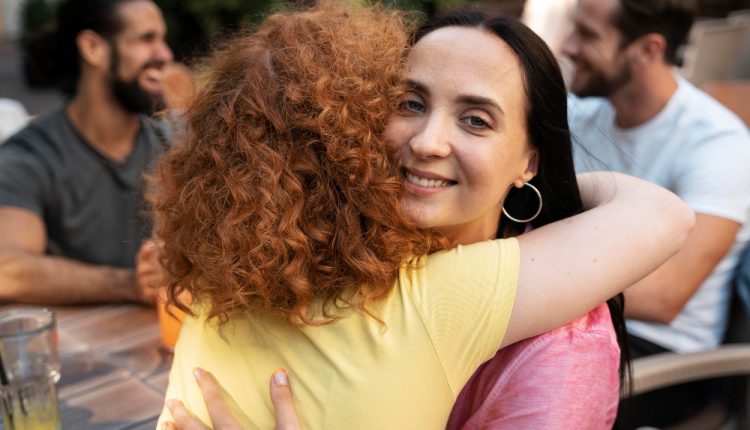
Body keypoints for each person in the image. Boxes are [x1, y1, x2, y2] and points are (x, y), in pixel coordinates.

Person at [155, 3, 692, 429]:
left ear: (530, 157)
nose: (429, 142)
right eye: (409, 103)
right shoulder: (340, 261)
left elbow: (666, 217)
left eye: (476, 120)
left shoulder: (556, 340)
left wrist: (549, 188)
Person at [563, 0, 750, 426]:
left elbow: (667, 296)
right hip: (574, 324)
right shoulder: (582, 117)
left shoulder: (717, 144)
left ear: (647, 50)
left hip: (662, 361)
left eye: (588, 35)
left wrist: (518, 274)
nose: (568, 46)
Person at [0, 0, 174, 304]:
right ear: (93, 48)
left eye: (162, 39)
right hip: (82, 348)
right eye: (147, 39)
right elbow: (6, 269)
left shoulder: (176, 141)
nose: (165, 54)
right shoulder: (30, 156)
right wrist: (130, 284)